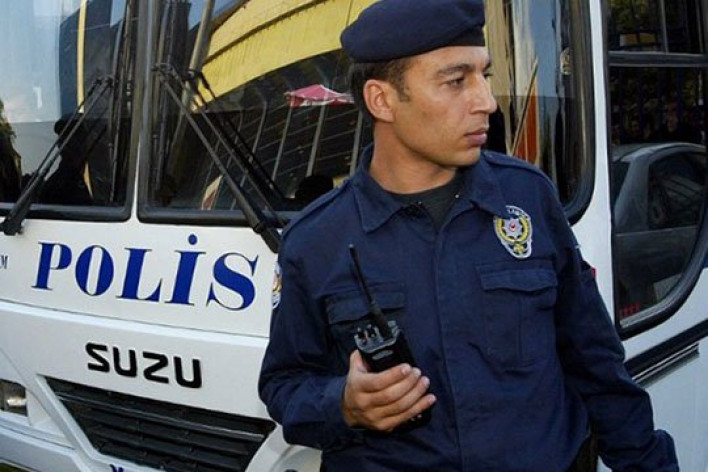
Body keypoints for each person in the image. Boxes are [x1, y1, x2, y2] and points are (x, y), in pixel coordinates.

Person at [258, 1, 679, 470]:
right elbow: (284, 385)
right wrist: (343, 404)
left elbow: (596, 362)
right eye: (456, 81)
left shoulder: (528, 197)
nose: (487, 102)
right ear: (382, 100)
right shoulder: (315, 241)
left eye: (485, 75)